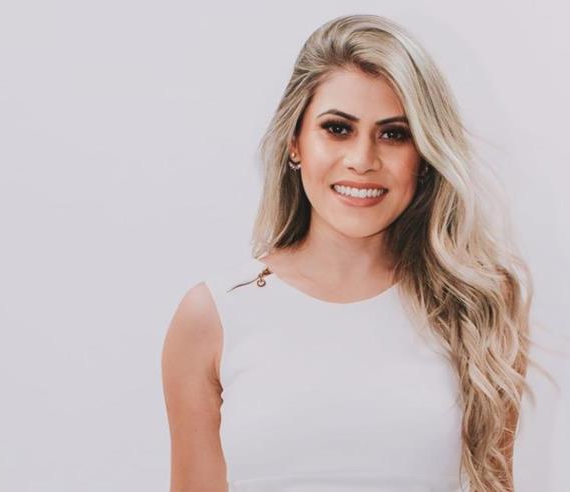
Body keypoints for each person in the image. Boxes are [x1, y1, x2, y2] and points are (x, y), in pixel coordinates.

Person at [162, 14, 535, 492]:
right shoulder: (214, 315)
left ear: (424, 156)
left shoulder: (476, 305)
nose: (362, 160)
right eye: (337, 129)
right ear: (295, 143)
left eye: (394, 134)